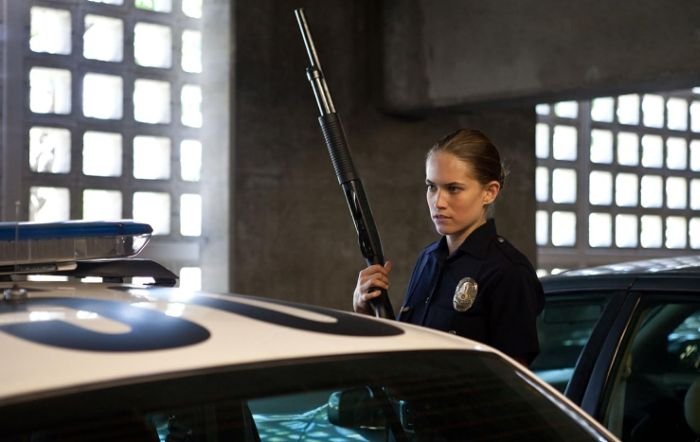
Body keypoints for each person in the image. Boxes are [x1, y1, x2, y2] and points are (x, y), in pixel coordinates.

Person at [353, 128, 544, 366]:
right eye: (431, 187)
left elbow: (513, 377)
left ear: (489, 192)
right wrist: (365, 309)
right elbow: (403, 354)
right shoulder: (428, 258)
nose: (438, 202)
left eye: (453, 189)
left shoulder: (509, 271)